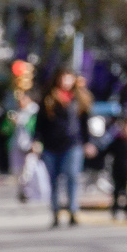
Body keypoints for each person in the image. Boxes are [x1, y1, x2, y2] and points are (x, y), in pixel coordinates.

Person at [36, 71, 92, 228]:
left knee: (72, 176)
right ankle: (55, 211)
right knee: (53, 180)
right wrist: (36, 141)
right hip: (51, 145)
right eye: (63, 78)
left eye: (69, 78)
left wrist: (88, 142)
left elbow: (84, 123)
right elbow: (40, 123)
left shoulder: (79, 98)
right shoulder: (48, 99)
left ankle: (73, 210)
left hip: (72, 144)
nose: (66, 81)